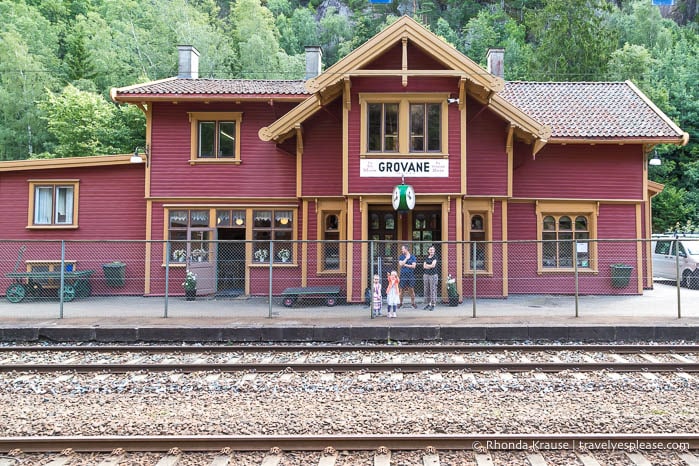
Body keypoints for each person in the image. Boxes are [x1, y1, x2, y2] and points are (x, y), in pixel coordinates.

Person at [397, 244, 417, 309]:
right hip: (403, 275)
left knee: (411, 290)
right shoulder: (401, 257)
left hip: (411, 275)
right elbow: (400, 264)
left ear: (406, 249)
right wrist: (406, 259)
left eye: (402, 249)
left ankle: (413, 303)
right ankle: (400, 303)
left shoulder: (413, 257)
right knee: (401, 290)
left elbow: (414, 266)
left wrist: (405, 265)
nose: (401, 250)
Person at [422, 245, 438, 311]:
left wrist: (428, 266)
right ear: (428, 251)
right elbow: (424, 266)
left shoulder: (435, 257)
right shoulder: (426, 257)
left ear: (434, 251)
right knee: (427, 289)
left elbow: (433, 265)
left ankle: (433, 304)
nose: (431, 251)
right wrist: (429, 266)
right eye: (430, 250)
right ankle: (429, 303)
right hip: (426, 275)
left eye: (432, 250)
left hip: (433, 275)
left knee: (433, 289)